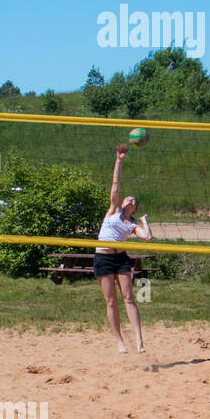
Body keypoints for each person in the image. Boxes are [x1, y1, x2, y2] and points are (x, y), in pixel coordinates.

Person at [95, 145, 153, 353]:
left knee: (128, 298)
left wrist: (145, 221)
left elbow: (147, 238)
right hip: (102, 258)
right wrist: (119, 160)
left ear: (135, 209)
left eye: (133, 200)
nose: (130, 199)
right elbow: (115, 184)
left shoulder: (131, 225)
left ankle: (139, 340)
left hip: (120, 259)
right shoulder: (113, 210)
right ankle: (119, 341)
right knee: (111, 302)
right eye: (128, 197)